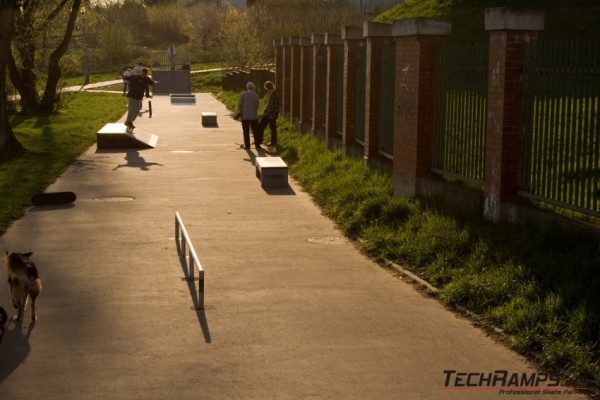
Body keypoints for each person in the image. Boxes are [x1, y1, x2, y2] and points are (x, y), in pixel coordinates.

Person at [237, 82, 261, 150]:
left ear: (246, 87)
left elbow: (239, 104)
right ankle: (257, 145)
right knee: (255, 131)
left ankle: (247, 145)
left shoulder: (243, 95)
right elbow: (257, 106)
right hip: (254, 116)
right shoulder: (256, 95)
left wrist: (240, 111)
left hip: (245, 116)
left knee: (246, 131)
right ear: (253, 87)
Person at [258, 81, 280, 147]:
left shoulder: (273, 94)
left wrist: (268, 114)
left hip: (270, 114)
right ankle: (273, 142)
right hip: (273, 114)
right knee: (273, 128)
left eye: (266, 88)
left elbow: (272, 106)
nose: (266, 90)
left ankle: (259, 140)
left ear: (267, 87)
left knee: (261, 126)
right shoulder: (274, 93)